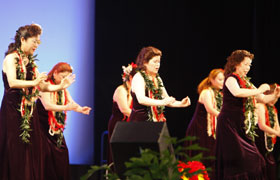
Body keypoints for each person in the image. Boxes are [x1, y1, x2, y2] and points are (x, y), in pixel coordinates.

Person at [0, 24, 74, 180]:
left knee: (31, 150)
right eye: (34, 41)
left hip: (29, 111)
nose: (37, 45)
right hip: (13, 111)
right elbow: (13, 82)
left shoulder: (31, 62)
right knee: (15, 150)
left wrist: (60, 86)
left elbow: (42, 85)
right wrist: (34, 82)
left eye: (38, 42)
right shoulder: (11, 58)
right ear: (23, 39)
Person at [215, 50, 279, 180]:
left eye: (250, 65)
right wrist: (259, 89)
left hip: (241, 125)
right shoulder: (230, 78)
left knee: (256, 158)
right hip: (229, 124)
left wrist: (274, 95)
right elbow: (237, 92)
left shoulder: (247, 82)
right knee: (239, 161)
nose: (248, 68)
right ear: (236, 64)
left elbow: (263, 99)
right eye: (246, 64)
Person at [36, 62, 91, 179]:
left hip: (56, 130)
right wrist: (66, 108)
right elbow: (48, 106)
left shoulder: (62, 88)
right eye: (62, 77)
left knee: (62, 154)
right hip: (43, 129)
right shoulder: (45, 85)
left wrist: (80, 109)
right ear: (55, 73)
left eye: (66, 78)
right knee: (47, 159)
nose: (64, 81)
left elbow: (70, 102)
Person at [130, 46, 191, 122]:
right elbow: (141, 99)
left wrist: (181, 104)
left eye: (159, 62)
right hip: (140, 123)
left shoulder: (157, 78)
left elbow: (166, 99)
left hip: (155, 122)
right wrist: (162, 102)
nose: (158, 65)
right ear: (145, 62)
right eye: (155, 62)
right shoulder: (139, 77)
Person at [185, 68, 224, 179]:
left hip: (208, 128)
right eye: (220, 79)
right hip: (200, 128)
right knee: (202, 155)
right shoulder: (206, 91)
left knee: (211, 154)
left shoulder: (218, 93)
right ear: (212, 80)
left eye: (224, 79)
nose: (223, 82)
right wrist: (225, 117)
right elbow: (210, 109)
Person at [107, 62, 137, 166]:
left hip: (128, 125)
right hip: (118, 125)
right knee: (118, 155)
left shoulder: (134, 91)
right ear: (131, 77)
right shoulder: (121, 90)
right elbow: (124, 109)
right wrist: (140, 118)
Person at [255, 83, 280, 180]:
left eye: (277, 98)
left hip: (269, 140)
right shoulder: (260, 106)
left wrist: (277, 131)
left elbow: (277, 124)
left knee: (271, 166)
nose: (275, 100)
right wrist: (277, 133)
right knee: (262, 165)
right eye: (273, 97)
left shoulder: (273, 109)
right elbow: (262, 126)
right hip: (260, 139)